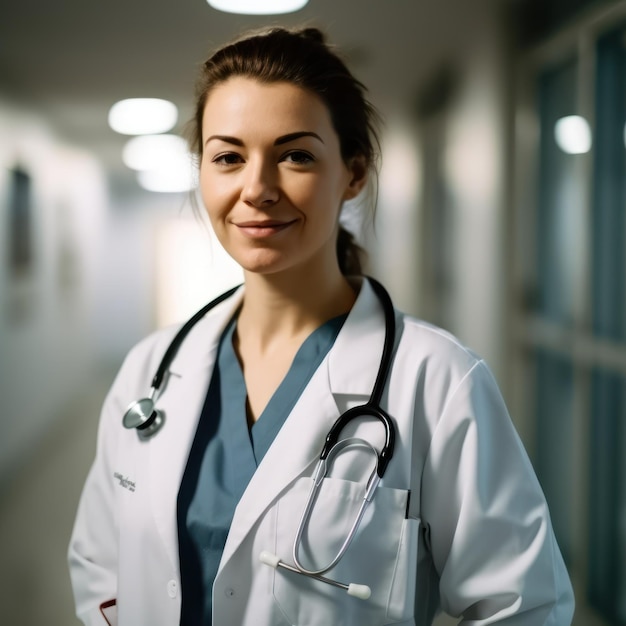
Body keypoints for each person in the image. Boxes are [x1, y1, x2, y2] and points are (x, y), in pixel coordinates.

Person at [68, 26, 574, 626]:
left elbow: (522, 608)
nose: (257, 189)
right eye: (228, 157)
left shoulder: (437, 380)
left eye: (295, 155)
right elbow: (100, 565)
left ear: (353, 174)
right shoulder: (149, 372)